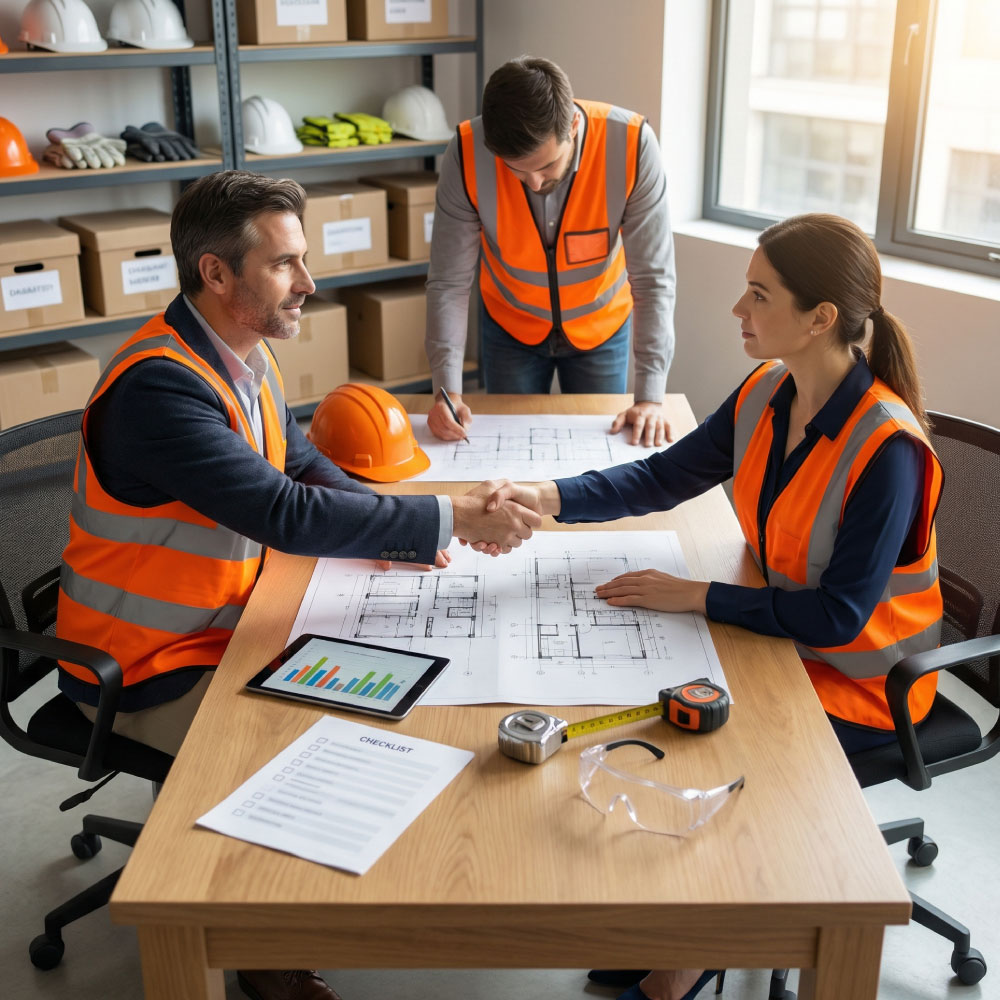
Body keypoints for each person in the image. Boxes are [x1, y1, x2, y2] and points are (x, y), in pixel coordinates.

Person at [55, 170, 540, 1000]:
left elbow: (300, 463)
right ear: (215, 274)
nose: (309, 285)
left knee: (406, 678)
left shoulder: (238, 354)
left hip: (231, 620)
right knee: (324, 738)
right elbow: (283, 512)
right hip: (143, 666)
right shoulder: (159, 389)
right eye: (285, 265)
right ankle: (260, 946)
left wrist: (411, 525)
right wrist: (443, 522)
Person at [479, 213, 943, 1000]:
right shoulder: (771, 389)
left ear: (820, 318)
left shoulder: (886, 450)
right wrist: (546, 496)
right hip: (773, 639)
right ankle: (666, 923)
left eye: (759, 295)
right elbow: (663, 476)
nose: (739, 310)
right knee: (636, 716)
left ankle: (685, 962)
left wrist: (695, 595)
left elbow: (838, 617)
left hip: (856, 683)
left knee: (698, 751)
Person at [425, 55, 677, 448]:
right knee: (508, 458)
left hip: (601, 329)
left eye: (547, 165)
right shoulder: (466, 152)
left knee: (601, 463)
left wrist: (649, 397)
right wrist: (447, 391)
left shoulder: (631, 144)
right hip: (511, 326)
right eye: (516, 170)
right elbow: (448, 283)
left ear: (573, 126)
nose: (534, 182)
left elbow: (654, 281)